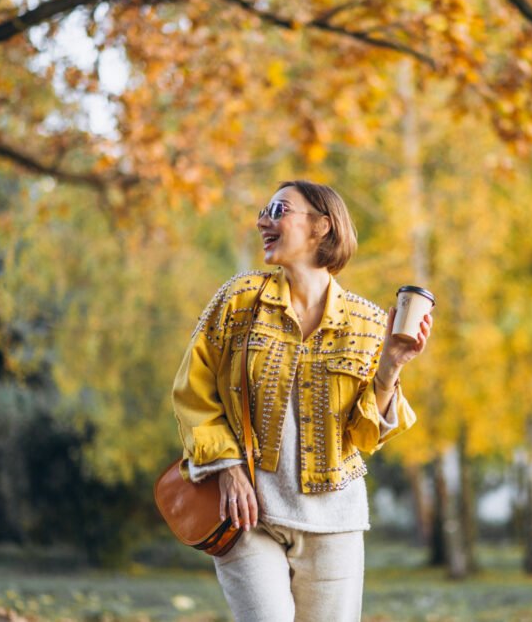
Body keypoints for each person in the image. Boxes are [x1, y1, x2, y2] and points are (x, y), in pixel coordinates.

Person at [171, 180, 432, 621]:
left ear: (321, 227)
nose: (262, 221)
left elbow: (365, 437)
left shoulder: (368, 323)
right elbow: (193, 390)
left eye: (278, 210)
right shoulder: (238, 300)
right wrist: (228, 469)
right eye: (263, 210)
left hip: (335, 526)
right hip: (248, 516)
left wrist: (391, 365)